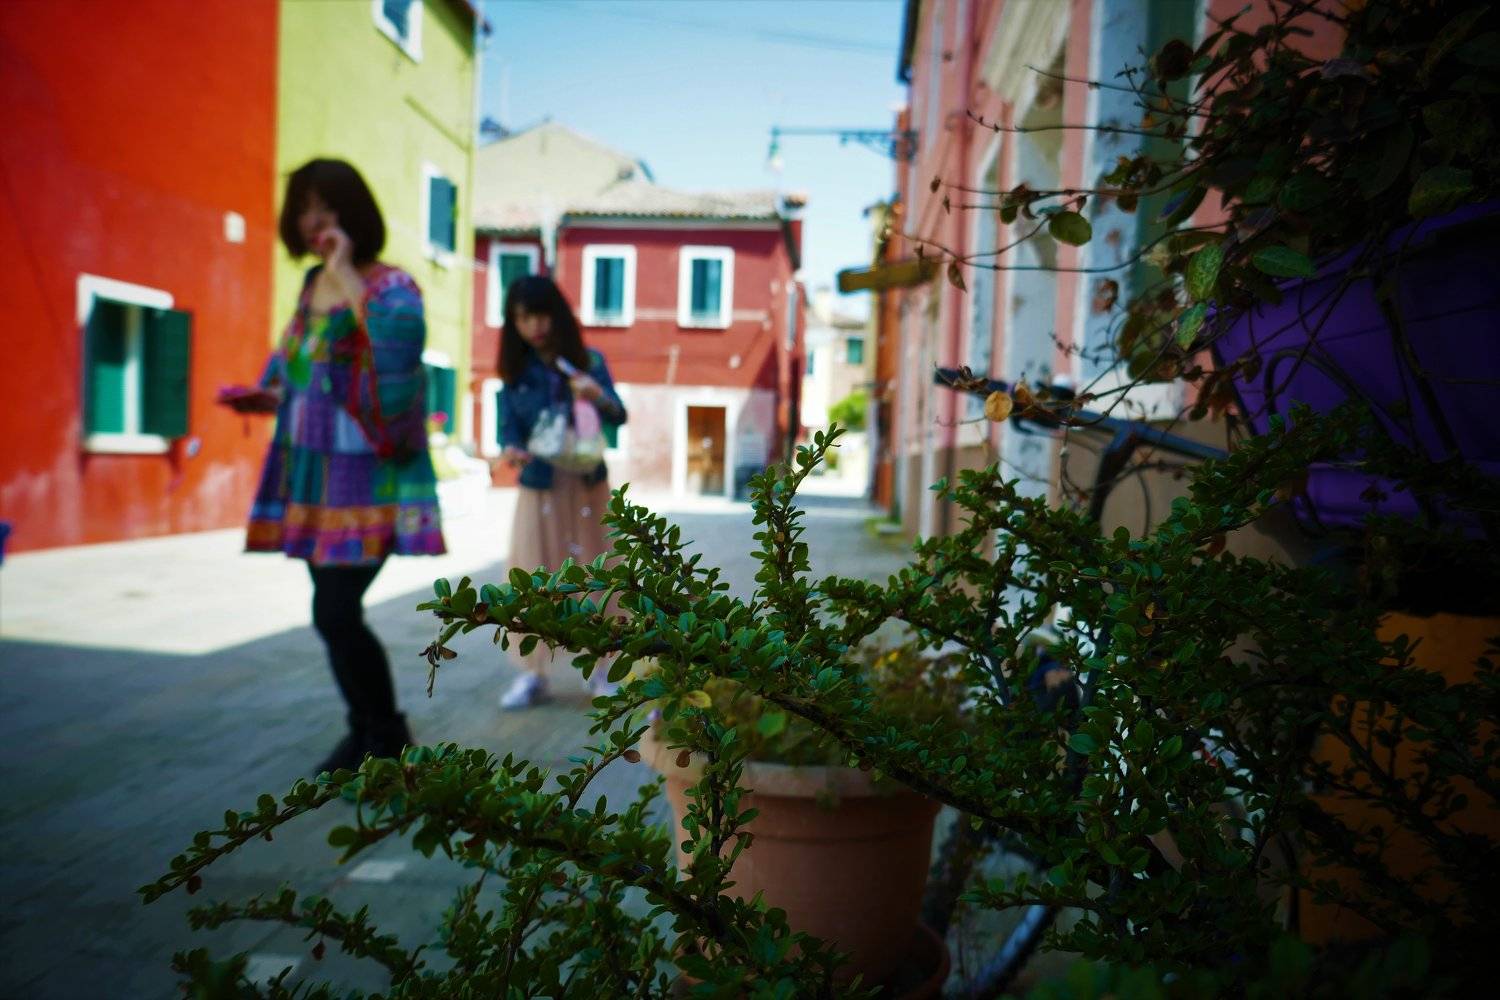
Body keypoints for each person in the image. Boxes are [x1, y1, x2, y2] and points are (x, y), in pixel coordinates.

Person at [219, 158, 445, 772]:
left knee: (336, 610)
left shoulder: (390, 285)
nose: (314, 220)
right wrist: (269, 393)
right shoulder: (308, 285)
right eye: (304, 208)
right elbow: (299, 364)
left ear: (354, 212)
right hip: (314, 473)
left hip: (370, 474)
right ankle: (369, 733)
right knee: (331, 612)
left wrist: (345, 270)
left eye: (327, 206)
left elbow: (398, 352)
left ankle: (384, 736)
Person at [496, 275, 627, 709]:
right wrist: (512, 449)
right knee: (533, 578)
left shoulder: (589, 361)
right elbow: (508, 430)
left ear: (557, 315)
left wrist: (596, 394)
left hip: (588, 484)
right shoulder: (516, 373)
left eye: (539, 315)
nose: (533, 326)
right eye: (522, 318)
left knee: (599, 573)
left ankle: (604, 668)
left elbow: (618, 414)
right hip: (539, 486)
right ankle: (533, 673)